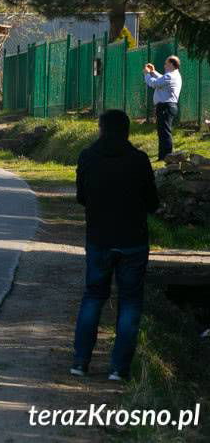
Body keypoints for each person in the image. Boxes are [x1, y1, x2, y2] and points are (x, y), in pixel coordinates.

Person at [71, 109, 159, 381]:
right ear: (127, 131)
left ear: (101, 129)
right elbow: (152, 203)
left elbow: (81, 197)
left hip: (99, 240)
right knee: (130, 301)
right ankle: (119, 369)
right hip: (133, 241)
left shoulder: (88, 157)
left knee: (94, 296)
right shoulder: (139, 160)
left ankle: (80, 363)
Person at [144, 55, 182, 161]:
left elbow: (154, 83)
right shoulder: (173, 75)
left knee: (164, 132)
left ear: (171, 64)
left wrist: (147, 74)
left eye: (166, 63)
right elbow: (161, 78)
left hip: (166, 106)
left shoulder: (170, 76)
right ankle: (163, 156)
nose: (164, 66)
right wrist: (153, 71)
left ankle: (167, 156)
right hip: (168, 106)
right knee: (162, 132)